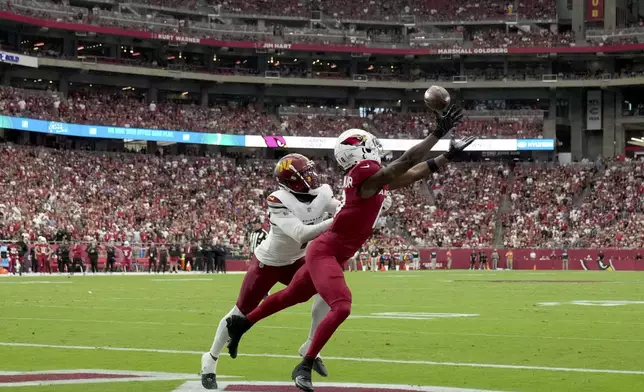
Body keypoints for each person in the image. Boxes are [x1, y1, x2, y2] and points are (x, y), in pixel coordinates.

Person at [226, 108, 470, 391]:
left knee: (292, 295)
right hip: (326, 251)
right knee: (341, 306)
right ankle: (304, 365)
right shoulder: (364, 173)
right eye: (370, 145)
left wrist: (447, 156)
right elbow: (407, 160)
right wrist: (437, 133)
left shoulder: (372, 178)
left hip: (332, 250)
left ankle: (242, 324)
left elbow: (410, 174)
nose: (376, 149)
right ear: (359, 152)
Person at [200, 153, 340, 390]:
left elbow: (341, 208)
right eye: (305, 174)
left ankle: (310, 345)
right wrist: (335, 221)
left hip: (297, 259)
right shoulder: (279, 199)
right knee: (240, 312)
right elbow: (301, 233)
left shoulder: (317, 193)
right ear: (293, 181)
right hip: (269, 263)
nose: (312, 176)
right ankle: (210, 359)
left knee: (326, 290)